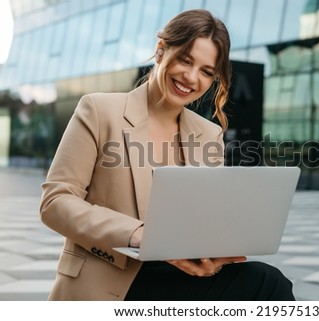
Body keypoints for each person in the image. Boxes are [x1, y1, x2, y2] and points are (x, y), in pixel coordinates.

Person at [40, 9, 295, 301]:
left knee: (267, 282)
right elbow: (55, 201)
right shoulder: (99, 111)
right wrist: (137, 234)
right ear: (161, 51)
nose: (191, 77)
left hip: (179, 275)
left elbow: (205, 218)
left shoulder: (208, 133)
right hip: (111, 279)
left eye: (206, 71)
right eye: (186, 60)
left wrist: (212, 251)